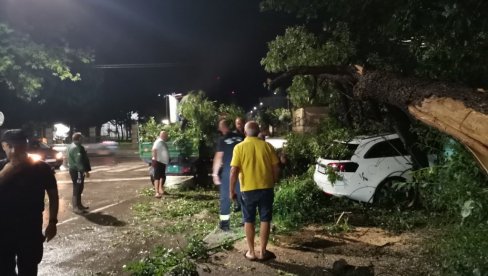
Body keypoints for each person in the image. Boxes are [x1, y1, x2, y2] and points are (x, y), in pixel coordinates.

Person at [0, 129, 59, 275]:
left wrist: (52, 222)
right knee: (5, 270)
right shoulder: (1, 167)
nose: (17, 150)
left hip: (30, 230)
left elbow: (53, 195)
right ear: (4, 146)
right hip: (3, 231)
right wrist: (10, 169)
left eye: (21, 145)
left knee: (29, 269)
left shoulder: (41, 168)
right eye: (12, 146)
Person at [230, 121, 280, 261]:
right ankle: (263, 252)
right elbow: (276, 167)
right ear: (258, 132)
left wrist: (231, 190)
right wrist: (274, 180)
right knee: (265, 219)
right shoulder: (267, 146)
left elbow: (234, 171)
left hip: (248, 189)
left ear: (245, 133)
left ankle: (251, 252)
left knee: (248, 219)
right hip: (266, 188)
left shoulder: (239, 148)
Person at [212, 119, 244, 231]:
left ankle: (225, 224)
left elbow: (218, 157)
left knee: (225, 198)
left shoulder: (222, 140)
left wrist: (215, 174)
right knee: (243, 196)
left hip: (228, 172)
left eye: (219, 127)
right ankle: (247, 221)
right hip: (242, 172)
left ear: (222, 128)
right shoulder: (241, 138)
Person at [67, 132, 91, 214]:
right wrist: (84, 171)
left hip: (74, 169)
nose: (83, 139)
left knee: (79, 187)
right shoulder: (76, 148)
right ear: (78, 139)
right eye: (81, 138)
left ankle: (79, 205)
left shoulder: (72, 145)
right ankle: (75, 207)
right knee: (77, 187)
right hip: (77, 170)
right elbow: (79, 161)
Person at [232, 117, 246, 212]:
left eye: (241, 123)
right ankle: (237, 204)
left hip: (246, 161)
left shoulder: (247, 133)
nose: (239, 125)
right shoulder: (233, 135)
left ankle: (244, 202)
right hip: (236, 160)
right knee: (235, 183)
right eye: (238, 123)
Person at [152, 131, 169, 198]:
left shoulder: (162, 142)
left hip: (162, 162)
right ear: (162, 135)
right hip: (158, 162)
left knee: (162, 176)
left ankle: (160, 189)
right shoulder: (159, 141)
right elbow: (154, 150)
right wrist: (155, 159)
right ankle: (157, 192)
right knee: (157, 177)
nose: (167, 136)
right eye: (166, 135)